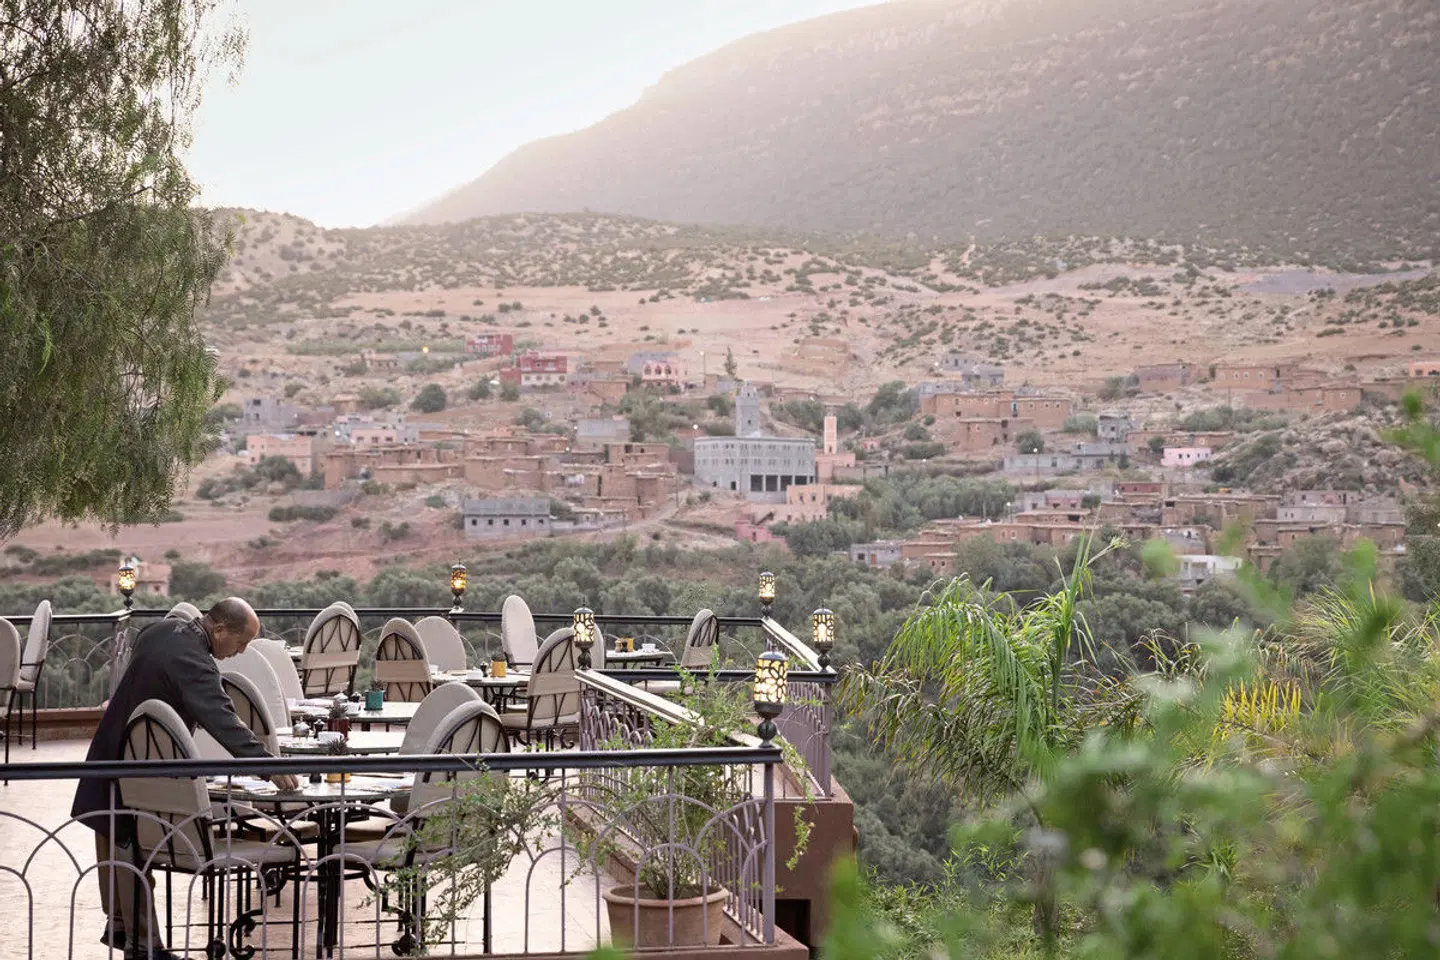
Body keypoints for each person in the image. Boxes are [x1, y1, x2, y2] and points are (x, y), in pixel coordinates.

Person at [71, 597, 300, 959]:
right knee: (134, 846)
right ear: (219, 629)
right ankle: (141, 946)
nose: (240, 652)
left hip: (113, 754)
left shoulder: (158, 631)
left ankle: (126, 931)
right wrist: (268, 765)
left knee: (122, 844)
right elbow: (222, 718)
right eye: (240, 643)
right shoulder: (195, 662)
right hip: (140, 766)